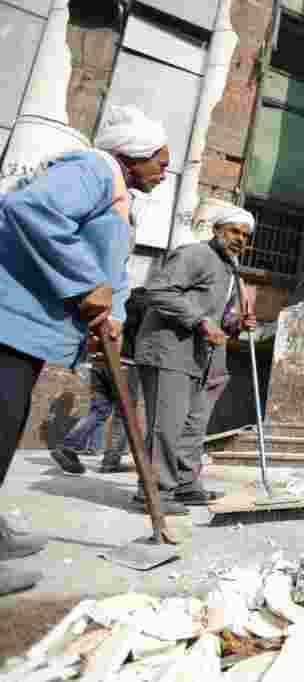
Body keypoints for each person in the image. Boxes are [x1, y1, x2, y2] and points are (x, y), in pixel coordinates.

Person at [0, 104, 169, 595]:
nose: (163, 169)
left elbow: (106, 270)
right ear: (132, 155)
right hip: (9, 321)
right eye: (160, 158)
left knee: (6, 427)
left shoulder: (118, 196)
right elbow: (29, 210)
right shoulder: (93, 168)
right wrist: (85, 284)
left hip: (27, 329)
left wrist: (107, 314)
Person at [133, 203, 256, 514]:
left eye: (245, 235)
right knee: (166, 425)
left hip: (200, 359)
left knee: (193, 425)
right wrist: (201, 321)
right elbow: (159, 292)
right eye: (234, 231)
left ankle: (185, 485)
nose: (240, 239)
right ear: (217, 231)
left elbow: (218, 318)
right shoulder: (195, 254)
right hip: (168, 350)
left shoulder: (230, 270)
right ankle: (154, 493)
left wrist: (236, 323)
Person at [50, 287, 148, 475]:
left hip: (99, 362)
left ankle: (68, 446)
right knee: (124, 413)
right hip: (125, 364)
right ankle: (111, 460)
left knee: (99, 409)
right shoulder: (147, 305)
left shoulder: (116, 301)